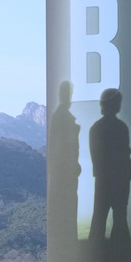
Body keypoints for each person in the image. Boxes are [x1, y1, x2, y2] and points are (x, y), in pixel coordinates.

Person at [88, 88, 131, 245]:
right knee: (120, 216)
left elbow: (96, 156)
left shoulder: (95, 128)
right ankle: (121, 251)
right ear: (114, 105)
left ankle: (95, 250)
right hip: (120, 179)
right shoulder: (121, 127)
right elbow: (124, 152)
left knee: (99, 216)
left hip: (103, 179)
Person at [49, 80, 82, 242]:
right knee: (67, 208)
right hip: (65, 173)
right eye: (69, 94)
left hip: (66, 171)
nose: (71, 97)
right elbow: (61, 147)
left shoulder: (61, 116)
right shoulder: (62, 117)